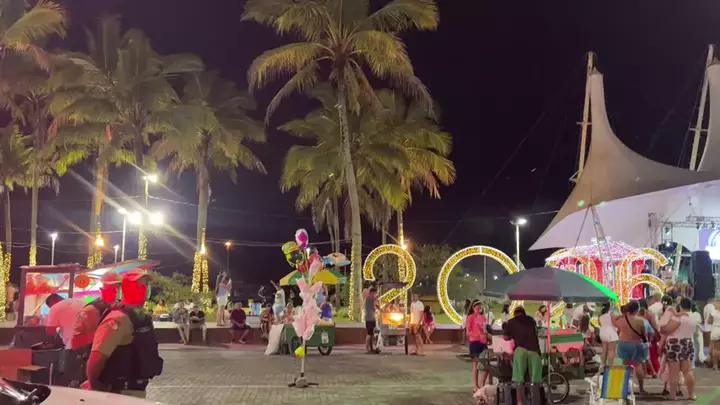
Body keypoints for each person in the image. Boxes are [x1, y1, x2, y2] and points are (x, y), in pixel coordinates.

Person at [85, 270, 163, 398]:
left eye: (146, 286)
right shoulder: (118, 318)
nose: (144, 290)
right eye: (139, 286)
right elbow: (96, 358)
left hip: (135, 390)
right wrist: (95, 387)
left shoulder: (140, 317)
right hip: (118, 393)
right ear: (127, 289)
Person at [72, 271, 122, 350]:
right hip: (94, 353)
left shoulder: (122, 308)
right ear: (101, 289)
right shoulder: (89, 310)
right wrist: (100, 334)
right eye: (111, 288)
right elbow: (75, 341)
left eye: (118, 288)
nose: (116, 291)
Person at [661, 297, 698, 401]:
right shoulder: (694, 317)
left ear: (680, 306)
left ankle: (673, 395)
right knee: (687, 371)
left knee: (674, 372)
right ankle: (691, 394)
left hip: (674, 343)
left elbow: (664, 329)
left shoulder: (679, 317)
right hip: (688, 343)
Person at [503, 306, 541, 405]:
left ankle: (520, 402)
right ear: (524, 313)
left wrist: (512, 335)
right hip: (534, 350)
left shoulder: (511, 322)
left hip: (520, 350)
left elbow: (505, 337)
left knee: (518, 379)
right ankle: (535, 402)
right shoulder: (531, 320)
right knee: (535, 380)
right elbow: (535, 332)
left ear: (515, 313)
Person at [615, 300, 648, 394]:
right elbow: (643, 332)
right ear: (637, 309)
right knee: (638, 365)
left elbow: (616, 326)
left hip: (623, 343)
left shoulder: (621, 320)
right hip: (636, 344)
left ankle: (623, 388)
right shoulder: (640, 320)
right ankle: (641, 388)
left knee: (625, 366)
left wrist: (621, 315)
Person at [466, 300, 489, 392]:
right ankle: (475, 385)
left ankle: (482, 384)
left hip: (483, 343)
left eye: (480, 308)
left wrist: (486, 336)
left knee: (485, 364)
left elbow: (485, 330)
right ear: (473, 308)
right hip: (474, 342)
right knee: (475, 364)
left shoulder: (483, 318)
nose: (479, 310)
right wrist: (477, 336)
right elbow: (468, 332)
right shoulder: (470, 317)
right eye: (477, 308)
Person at [598, 303, 618, 367]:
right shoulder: (611, 314)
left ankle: (602, 366)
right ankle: (610, 367)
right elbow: (615, 324)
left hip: (603, 333)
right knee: (611, 351)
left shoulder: (600, 315)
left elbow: (600, 324)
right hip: (611, 334)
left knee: (604, 351)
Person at [364, 287, 380, 354]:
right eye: (375, 293)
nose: (376, 294)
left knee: (371, 334)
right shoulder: (370, 298)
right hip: (370, 318)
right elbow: (377, 303)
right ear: (372, 293)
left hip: (370, 318)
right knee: (369, 334)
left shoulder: (369, 299)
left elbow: (376, 306)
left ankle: (370, 348)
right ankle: (367, 348)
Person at [708, 301, 720, 370]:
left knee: (716, 349)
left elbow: (709, 322)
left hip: (716, 330)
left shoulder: (714, 312)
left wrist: (710, 316)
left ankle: (715, 365)